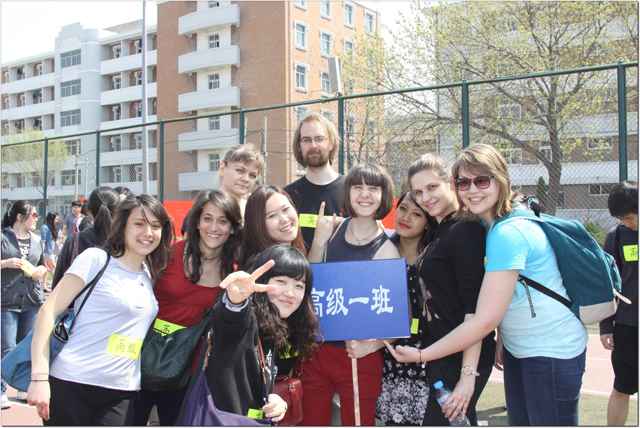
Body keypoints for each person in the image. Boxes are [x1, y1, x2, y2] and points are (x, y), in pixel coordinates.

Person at [386, 144, 588, 426]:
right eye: (464, 183)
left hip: (549, 350)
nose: (472, 190)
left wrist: (443, 364)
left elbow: (480, 318)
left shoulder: (496, 232)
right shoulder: (476, 226)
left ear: (500, 179)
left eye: (481, 181)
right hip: (517, 349)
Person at [27, 194, 174, 425]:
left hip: (123, 390)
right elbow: (48, 312)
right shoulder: (96, 259)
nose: (148, 232)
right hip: (73, 384)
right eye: (139, 223)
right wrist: (39, 378)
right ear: (122, 226)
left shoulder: (148, 273)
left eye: (156, 226)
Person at [301, 163, 400, 426]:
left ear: (384, 195)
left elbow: (396, 316)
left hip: (358, 355)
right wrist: (319, 240)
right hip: (318, 350)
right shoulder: (332, 229)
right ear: (348, 192)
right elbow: (311, 282)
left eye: (373, 188)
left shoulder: (387, 250)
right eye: (358, 187)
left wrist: (373, 345)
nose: (365, 195)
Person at [133, 190, 243, 425]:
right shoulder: (168, 254)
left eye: (223, 221)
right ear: (197, 222)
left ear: (233, 228)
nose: (214, 227)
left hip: (186, 370)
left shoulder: (234, 270)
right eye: (207, 218)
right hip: (141, 356)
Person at [206, 244, 320, 422]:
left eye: (299, 286)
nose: (290, 293)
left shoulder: (276, 328)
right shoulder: (247, 319)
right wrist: (235, 301)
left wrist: (276, 401)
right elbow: (231, 321)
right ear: (262, 281)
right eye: (281, 282)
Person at [376, 192, 434, 426]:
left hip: (428, 352)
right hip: (389, 352)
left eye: (417, 214)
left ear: (427, 222)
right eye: (403, 209)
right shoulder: (380, 250)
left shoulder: (434, 255)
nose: (406, 217)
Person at [1, 201, 49, 408]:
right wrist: (6, 263)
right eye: (34, 215)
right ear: (20, 217)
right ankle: (1, 389)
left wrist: (41, 272)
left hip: (31, 300)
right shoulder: (3, 238)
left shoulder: (37, 240)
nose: (37, 218)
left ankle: (22, 387)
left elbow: (43, 265)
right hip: (6, 300)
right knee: (7, 347)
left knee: (27, 345)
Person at [600, 181, 638, 426]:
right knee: (622, 387)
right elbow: (607, 285)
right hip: (628, 326)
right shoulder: (616, 237)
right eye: (621, 219)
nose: (626, 223)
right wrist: (606, 327)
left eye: (630, 217)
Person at [285, 113, 345, 250]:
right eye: (306, 140)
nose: (313, 145)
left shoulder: (352, 190)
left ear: (331, 143)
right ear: (299, 146)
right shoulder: (288, 196)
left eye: (319, 139)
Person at [51, 187, 120, 289]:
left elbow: (57, 285)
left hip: (77, 297)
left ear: (89, 211)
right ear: (119, 211)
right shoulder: (126, 242)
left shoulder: (74, 241)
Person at [241, 185, 306, 265]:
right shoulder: (268, 265)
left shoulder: (292, 256)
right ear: (257, 225)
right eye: (272, 215)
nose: (284, 220)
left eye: (285, 209)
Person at [218, 144, 264, 216]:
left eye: (252, 175)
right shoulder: (205, 207)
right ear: (222, 168)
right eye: (240, 171)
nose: (246, 179)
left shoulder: (255, 211)